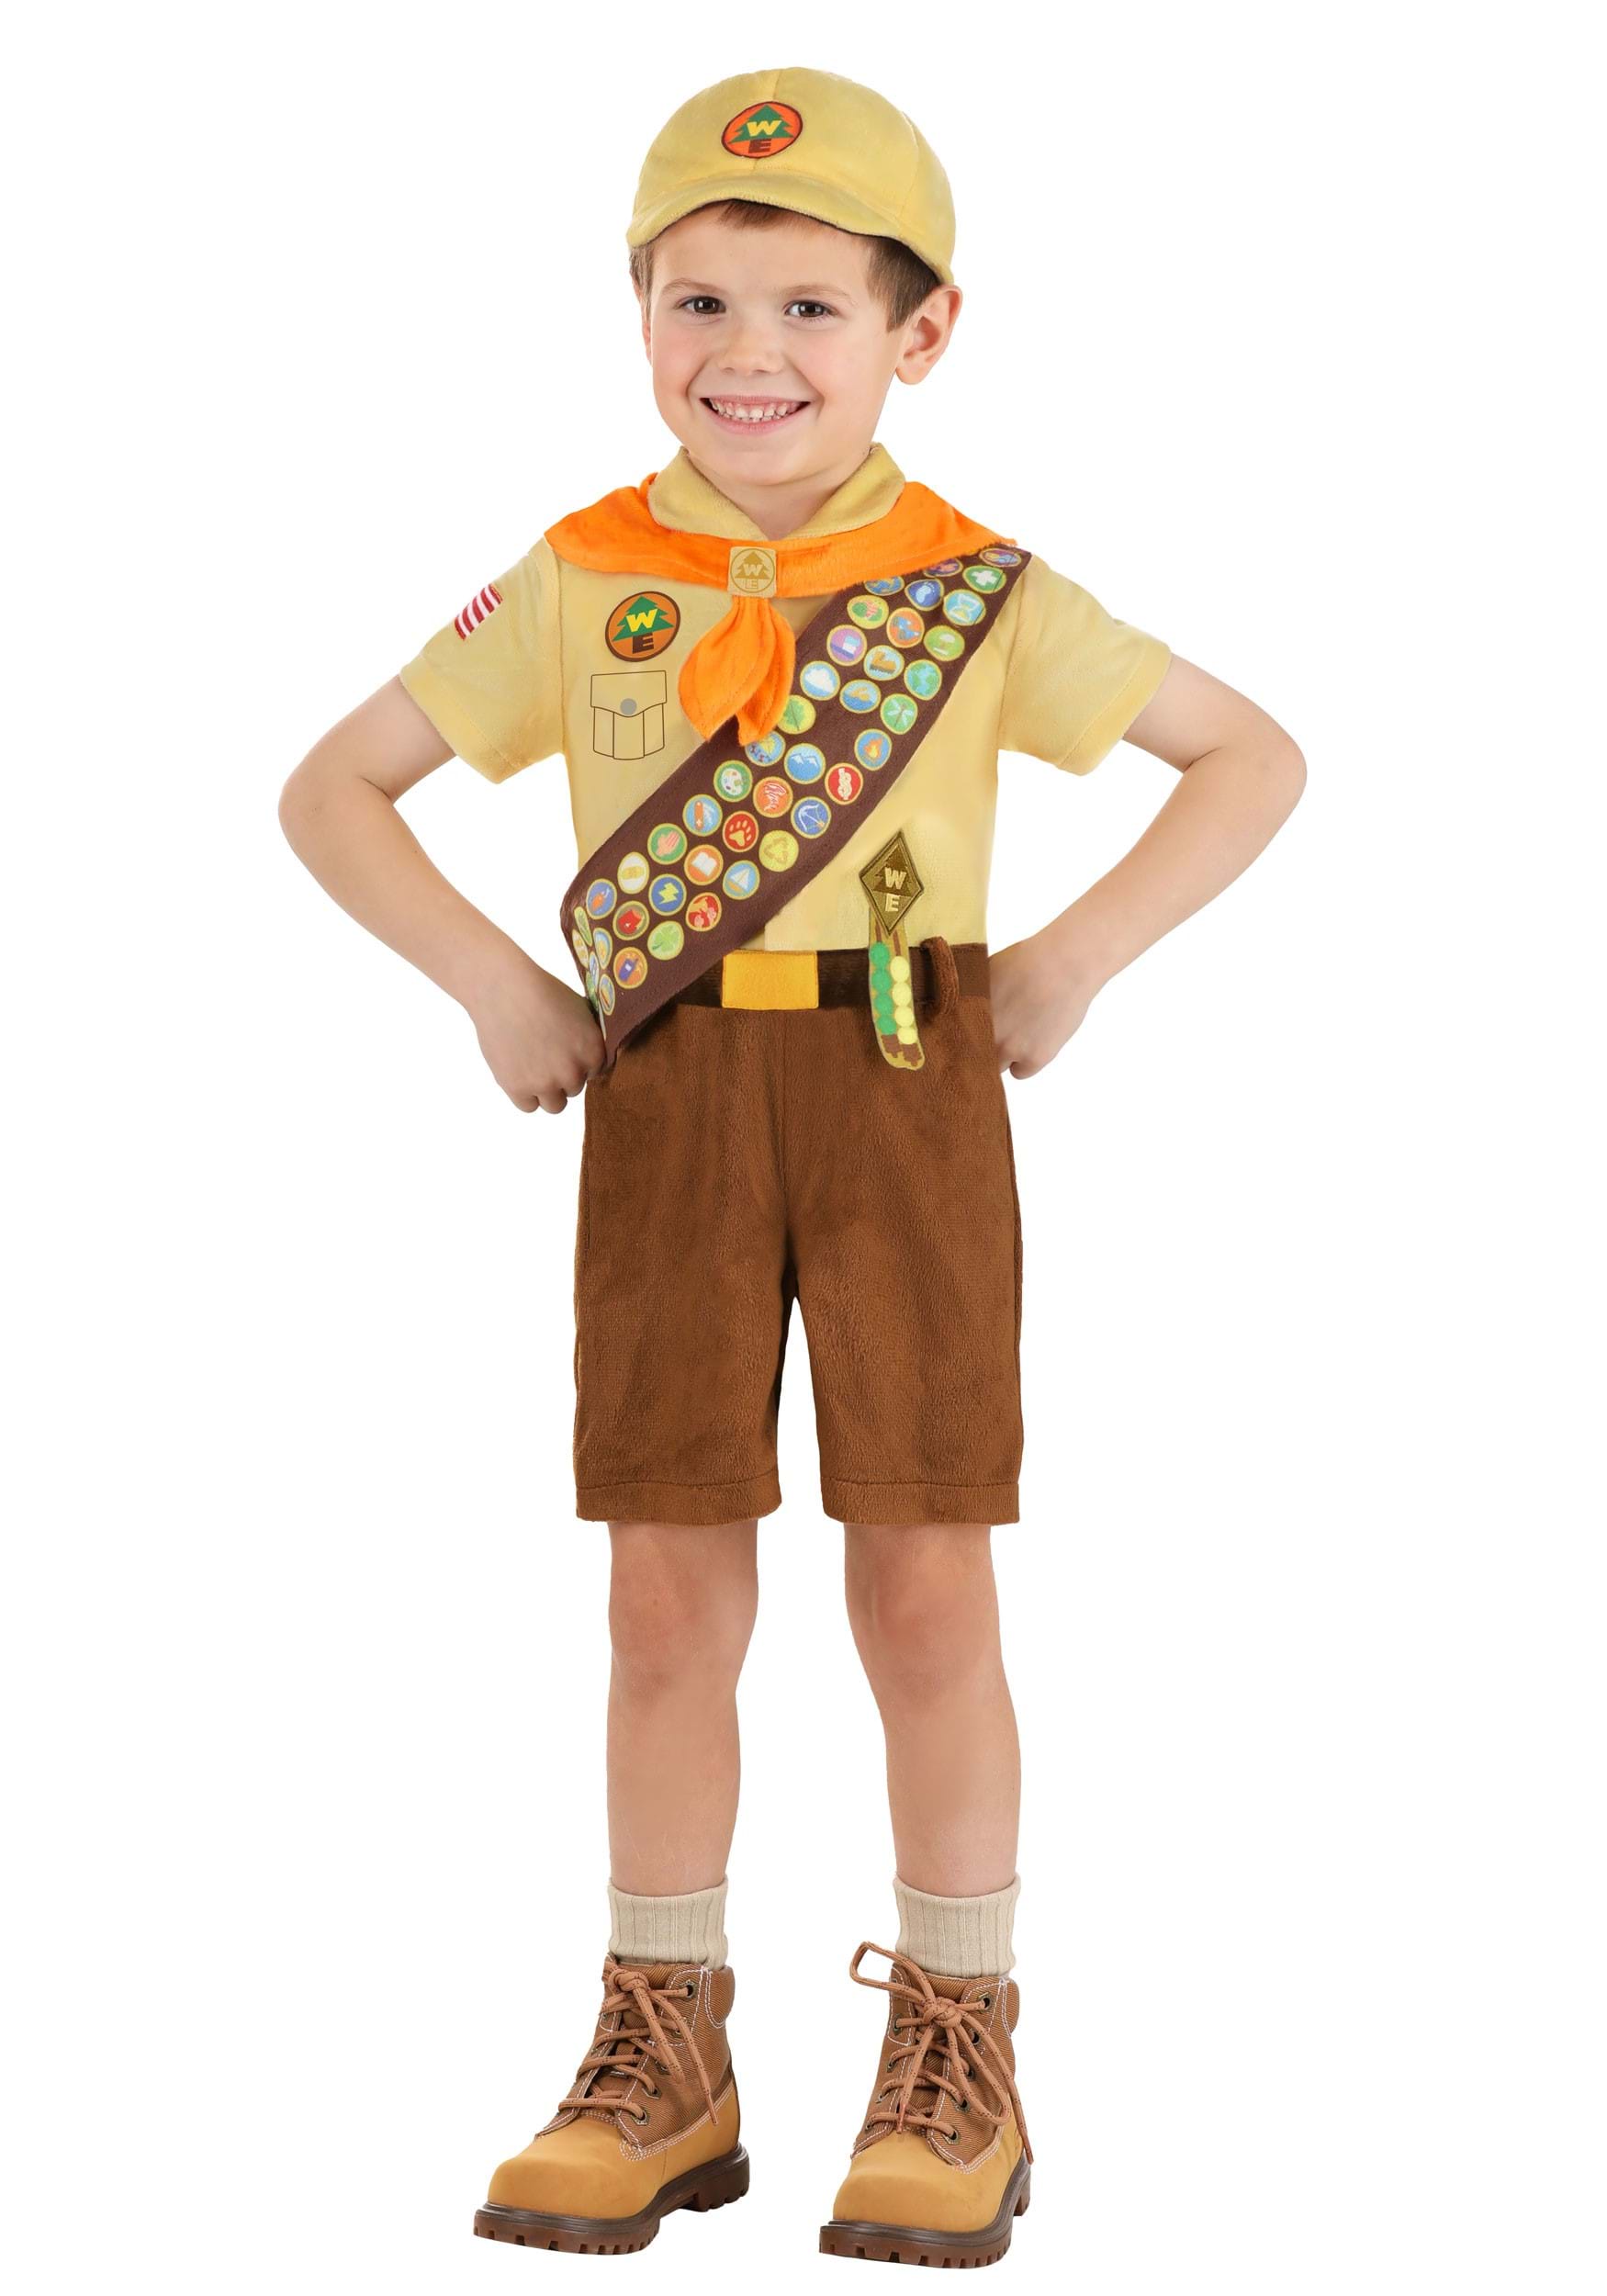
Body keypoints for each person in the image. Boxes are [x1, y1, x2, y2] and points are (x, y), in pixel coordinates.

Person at [279, 63, 1304, 2271]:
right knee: (662, 1588)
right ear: (637, 313)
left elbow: (1245, 753)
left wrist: (1072, 956)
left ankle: (957, 2045)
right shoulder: (583, 573)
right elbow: (332, 788)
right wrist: (491, 983)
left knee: (921, 1573)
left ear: (920, 332)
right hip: (664, 1094)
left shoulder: (971, 588)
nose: (747, 354)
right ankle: (664, 2045)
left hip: (904, 1087)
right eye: (698, 301)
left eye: (810, 307)